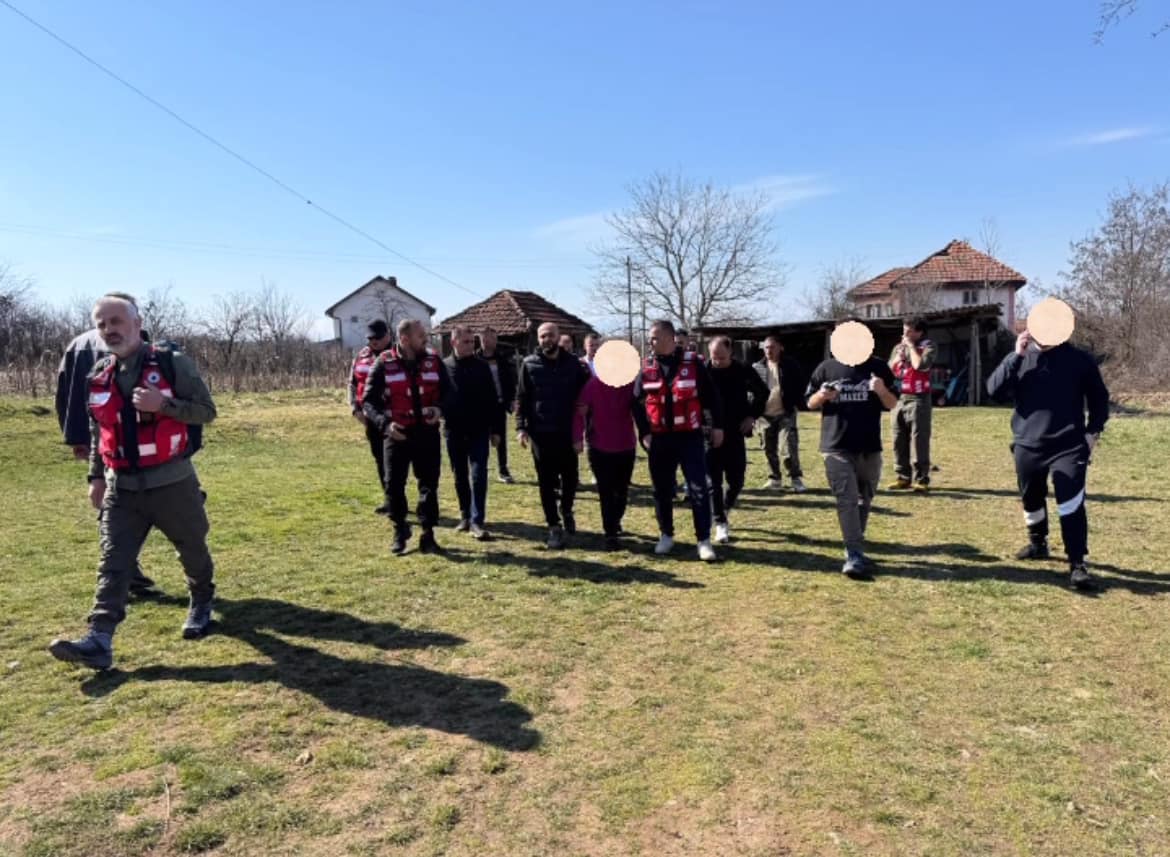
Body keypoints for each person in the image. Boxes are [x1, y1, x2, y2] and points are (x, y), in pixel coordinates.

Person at [49, 294, 218, 670]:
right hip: (121, 488)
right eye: (102, 324)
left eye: (116, 321)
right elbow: (99, 432)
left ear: (136, 324)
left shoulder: (172, 364)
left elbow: (207, 412)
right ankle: (99, 638)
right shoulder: (99, 375)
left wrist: (164, 405)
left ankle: (202, 600)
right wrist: (95, 475)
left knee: (192, 549)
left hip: (172, 483)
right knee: (113, 563)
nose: (109, 330)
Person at [986, 327, 1110, 590]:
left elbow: (1100, 398)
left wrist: (1093, 432)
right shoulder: (1021, 358)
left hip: (1069, 445)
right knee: (1031, 496)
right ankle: (1037, 542)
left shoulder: (1080, 360)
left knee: (1070, 501)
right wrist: (1015, 355)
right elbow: (993, 391)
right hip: (1027, 443)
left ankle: (1077, 563)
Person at [55, 296, 159, 595]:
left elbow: (63, 394)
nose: (111, 327)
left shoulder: (77, 344)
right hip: (124, 439)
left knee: (114, 503)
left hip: (98, 435)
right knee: (125, 506)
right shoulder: (131, 343)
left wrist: (73, 434)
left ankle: (125, 570)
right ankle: (123, 572)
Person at [806, 323, 898, 578]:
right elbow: (809, 402)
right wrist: (823, 396)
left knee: (864, 499)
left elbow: (892, 403)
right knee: (846, 498)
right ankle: (854, 553)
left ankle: (855, 544)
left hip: (869, 446)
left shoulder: (878, 367)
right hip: (836, 446)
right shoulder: (826, 368)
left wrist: (881, 391)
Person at [634, 319, 724, 561]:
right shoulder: (646, 367)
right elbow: (636, 402)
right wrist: (644, 432)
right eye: (650, 338)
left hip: (689, 437)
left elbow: (711, 397)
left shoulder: (693, 363)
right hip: (660, 439)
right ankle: (666, 535)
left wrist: (717, 427)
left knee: (698, 489)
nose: (651, 342)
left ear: (670, 338)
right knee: (662, 490)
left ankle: (703, 540)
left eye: (655, 337)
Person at [362, 319, 451, 556]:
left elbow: (451, 393)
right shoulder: (383, 363)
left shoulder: (434, 361)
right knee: (393, 485)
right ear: (405, 339)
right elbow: (368, 402)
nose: (426, 339)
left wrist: (440, 409)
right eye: (421, 336)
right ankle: (400, 528)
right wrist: (384, 424)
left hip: (426, 434)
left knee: (429, 485)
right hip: (396, 434)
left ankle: (428, 533)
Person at [515, 321, 591, 549]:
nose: (546, 340)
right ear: (538, 339)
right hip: (541, 434)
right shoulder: (529, 365)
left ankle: (566, 509)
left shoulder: (573, 365)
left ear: (559, 337)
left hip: (567, 433)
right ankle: (554, 526)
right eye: (542, 336)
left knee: (570, 479)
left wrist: (585, 422)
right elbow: (522, 398)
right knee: (546, 483)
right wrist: (521, 428)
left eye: (550, 335)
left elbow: (585, 394)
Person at [707, 335, 769, 544]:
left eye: (721, 358)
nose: (717, 361)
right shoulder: (703, 371)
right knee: (714, 481)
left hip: (735, 432)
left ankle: (725, 507)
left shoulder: (743, 370)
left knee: (737, 480)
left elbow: (763, 393)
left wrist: (752, 416)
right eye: (714, 357)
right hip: (710, 433)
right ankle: (720, 523)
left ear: (731, 353)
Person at [443, 324, 501, 540]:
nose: (470, 345)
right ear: (454, 342)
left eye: (472, 342)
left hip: (478, 430)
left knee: (479, 475)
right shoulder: (444, 366)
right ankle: (465, 515)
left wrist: (496, 429)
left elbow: (492, 400)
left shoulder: (482, 366)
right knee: (459, 475)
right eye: (466, 341)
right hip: (454, 431)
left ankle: (478, 520)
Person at [576, 365, 637, 550]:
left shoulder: (631, 385)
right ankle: (610, 532)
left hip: (626, 444)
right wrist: (578, 435)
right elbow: (580, 410)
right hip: (599, 446)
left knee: (622, 490)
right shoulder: (593, 385)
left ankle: (615, 520)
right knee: (605, 491)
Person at [348, 319, 394, 513]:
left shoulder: (398, 355)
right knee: (379, 458)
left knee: (393, 461)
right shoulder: (362, 355)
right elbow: (352, 383)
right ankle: (389, 499)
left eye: (377, 337)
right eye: (370, 338)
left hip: (393, 416)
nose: (373, 341)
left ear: (388, 336)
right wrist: (355, 409)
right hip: (370, 417)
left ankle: (397, 498)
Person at [887, 317, 937, 492]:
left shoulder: (928, 346)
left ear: (919, 332)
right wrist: (899, 357)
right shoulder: (897, 348)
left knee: (919, 439)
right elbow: (889, 370)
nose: (904, 334)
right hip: (899, 397)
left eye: (909, 331)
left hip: (919, 398)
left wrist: (910, 347)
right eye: (904, 330)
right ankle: (903, 476)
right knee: (898, 438)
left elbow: (920, 365)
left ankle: (922, 478)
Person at [754, 335, 807, 492]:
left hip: (786, 412)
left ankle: (795, 478)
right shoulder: (757, 367)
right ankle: (774, 478)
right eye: (766, 347)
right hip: (764, 415)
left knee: (788, 447)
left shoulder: (790, 365)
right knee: (768, 448)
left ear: (780, 347)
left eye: (772, 347)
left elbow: (800, 385)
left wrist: (798, 403)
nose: (769, 350)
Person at [476, 326, 517, 484]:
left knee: (501, 438)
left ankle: (503, 469)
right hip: (480, 407)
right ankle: (481, 468)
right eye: (485, 338)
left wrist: (511, 399)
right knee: (481, 438)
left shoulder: (502, 359)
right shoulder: (475, 358)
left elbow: (510, 380)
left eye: (492, 338)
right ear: (480, 340)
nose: (488, 341)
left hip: (499, 404)